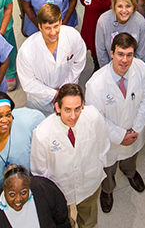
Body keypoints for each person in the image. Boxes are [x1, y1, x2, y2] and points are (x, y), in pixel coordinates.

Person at [85, 33, 145, 213]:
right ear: (112, 53)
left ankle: (130, 173)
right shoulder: (95, 84)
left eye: (129, 54)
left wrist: (135, 129)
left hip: (134, 132)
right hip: (109, 139)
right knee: (108, 167)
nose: (125, 60)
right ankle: (107, 190)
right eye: (120, 54)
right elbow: (96, 119)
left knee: (131, 157)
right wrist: (120, 136)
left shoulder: (140, 68)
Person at [31, 84, 110, 228]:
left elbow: (103, 145)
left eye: (77, 109)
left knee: (89, 217)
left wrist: (97, 167)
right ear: (57, 107)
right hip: (60, 188)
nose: (73, 116)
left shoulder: (93, 117)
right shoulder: (42, 133)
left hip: (89, 181)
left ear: (83, 105)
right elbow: (39, 171)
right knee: (63, 220)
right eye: (67, 110)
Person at [18, 4, 87, 116]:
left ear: (60, 22)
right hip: (41, 104)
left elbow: (79, 61)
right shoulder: (27, 50)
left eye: (56, 26)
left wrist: (67, 86)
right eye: (47, 28)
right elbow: (28, 82)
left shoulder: (72, 36)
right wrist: (54, 94)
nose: (53, 32)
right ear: (40, 27)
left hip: (67, 95)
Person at [0, 165, 72, 228]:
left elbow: (61, 217)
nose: (18, 199)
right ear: (4, 189)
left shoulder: (43, 188)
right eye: (12, 194)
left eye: (24, 192)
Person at [94, 0, 145, 67]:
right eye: (120, 6)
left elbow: (141, 54)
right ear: (114, 7)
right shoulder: (103, 20)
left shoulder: (140, 22)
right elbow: (101, 51)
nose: (124, 11)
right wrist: (109, 71)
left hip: (133, 68)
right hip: (109, 68)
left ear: (133, 7)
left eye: (128, 6)